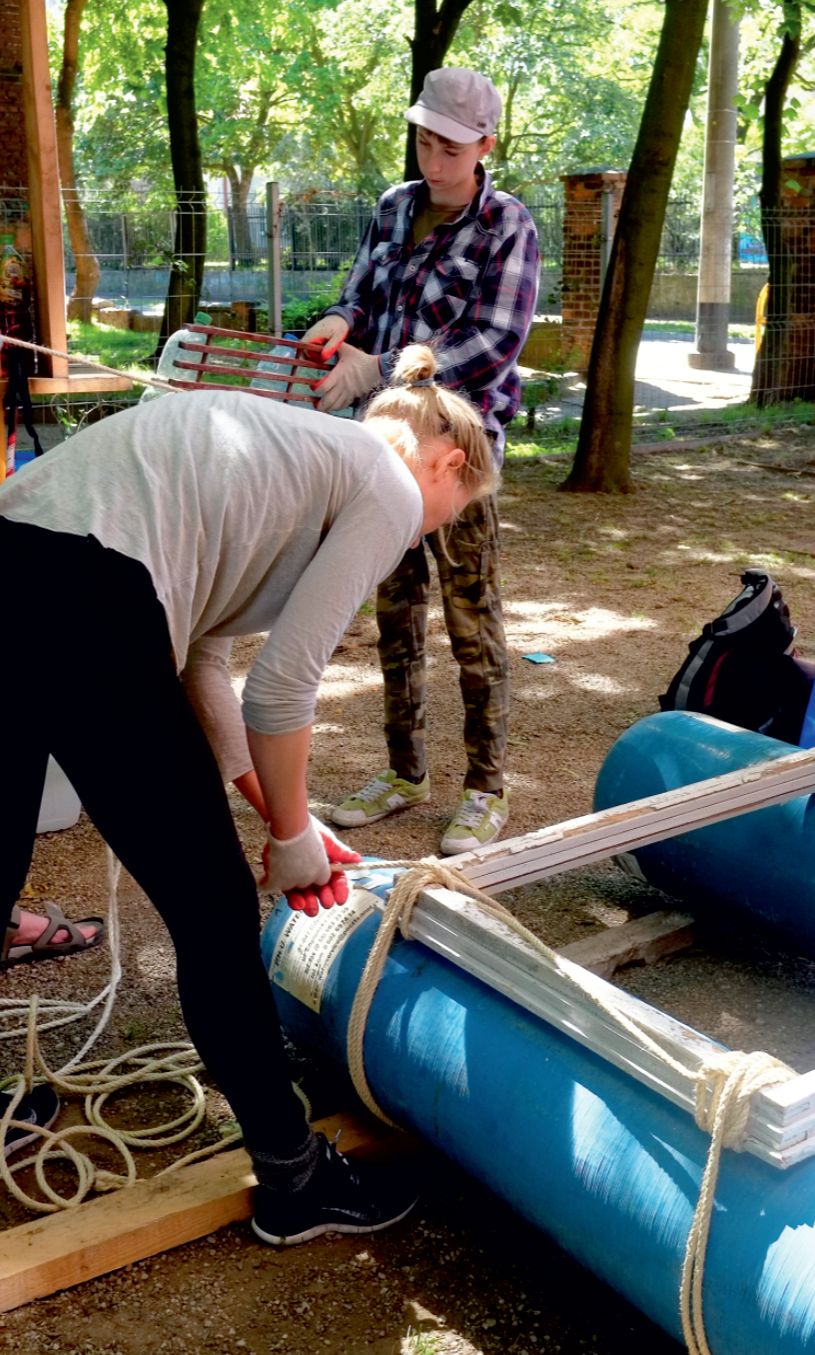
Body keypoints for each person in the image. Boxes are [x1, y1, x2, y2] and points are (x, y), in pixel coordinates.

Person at [0, 344, 496, 1243]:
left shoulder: (289, 458)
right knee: (216, 911)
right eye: (442, 519)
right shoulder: (384, 483)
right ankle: (295, 1177)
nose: (419, 536)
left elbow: (202, 654)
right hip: (89, 596)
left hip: (14, 563)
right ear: (446, 463)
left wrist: (270, 805)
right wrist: (298, 835)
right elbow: (283, 686)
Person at [303, 66, 540, 855]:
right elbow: (361, 293)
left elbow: (492, 345)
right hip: (382, 453)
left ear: (483, 145)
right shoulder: (393, 207)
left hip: (457, 459)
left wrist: (384, 366)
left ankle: (484, 788)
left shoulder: (508, 224)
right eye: (423, 139)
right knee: (394, 617)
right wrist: (340, 324)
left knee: (473, 624)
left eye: (448, 145)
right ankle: (404, 772)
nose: (432, 158)